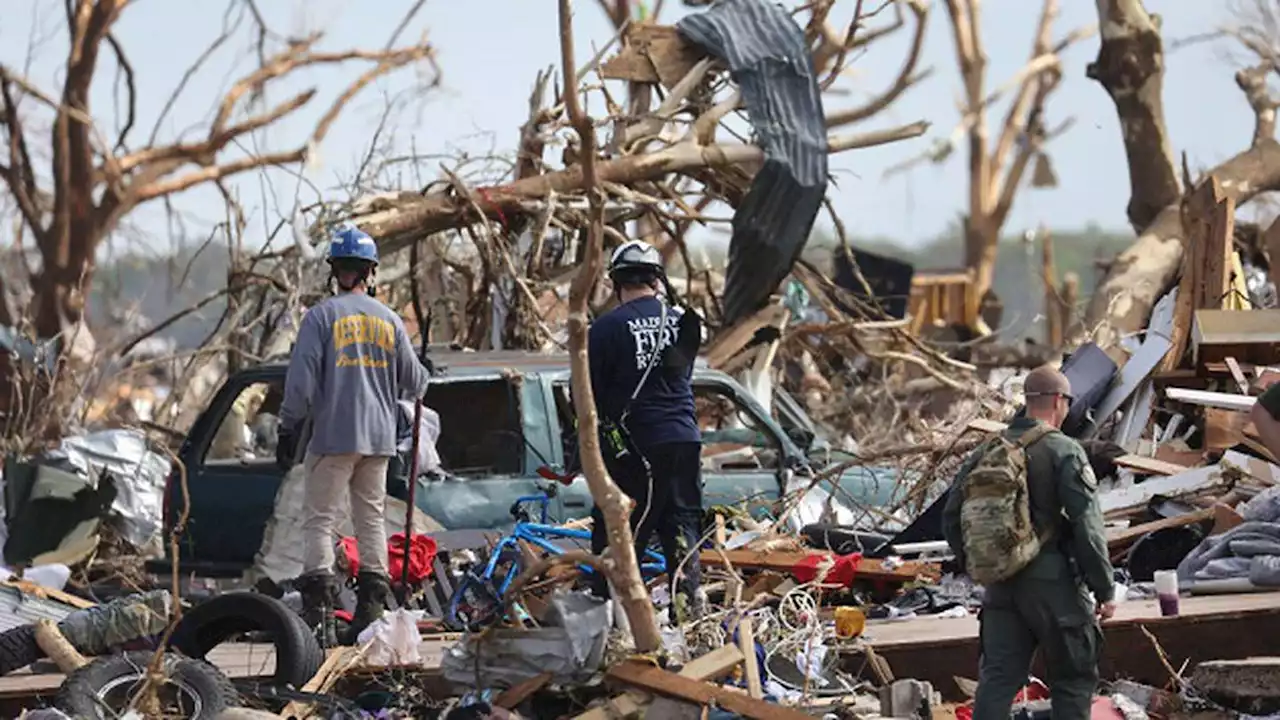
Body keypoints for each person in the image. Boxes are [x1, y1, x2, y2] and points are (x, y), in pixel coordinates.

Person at [277, 223, 431, 646]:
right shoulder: (389, 320)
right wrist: (424, 367)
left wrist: (288, 426)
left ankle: (319, 617)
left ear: (335, 271)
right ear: (370, 271)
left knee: (320, 522)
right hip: (379, 443)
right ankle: (371, 614)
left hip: (331, 438)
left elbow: (300, 385)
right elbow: (416, 383)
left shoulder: (321, 317)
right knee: (371, 522)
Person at [942, 365, 1115, 719]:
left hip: (1002, 588)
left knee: (997, 681)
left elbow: (950, 518)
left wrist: (981, 564)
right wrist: (1105, 589)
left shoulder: (988, 449)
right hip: (1057, 590)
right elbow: (1087, 525)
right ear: (1058, 401)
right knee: (1072, 681)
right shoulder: (1064, 450)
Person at [586, 240, 703, 617]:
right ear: (657, 280)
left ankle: (609, 619)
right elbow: (682, 377)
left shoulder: (606, 328)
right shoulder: (684, 321)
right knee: (682, 526)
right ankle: (689, 616)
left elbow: (590, 397)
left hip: (638, 447)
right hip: (685, 438)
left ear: (617, 282)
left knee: (618, 531)